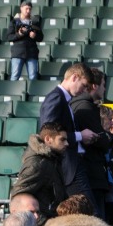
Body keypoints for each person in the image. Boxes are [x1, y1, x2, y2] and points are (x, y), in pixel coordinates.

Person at [39, 63, 99, 204]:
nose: (84, 90)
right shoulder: (56, 98)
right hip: (69, 168)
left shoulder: (64, 100)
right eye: (84, 85)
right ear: (75, 77)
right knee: (88, 213)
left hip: (73, 165)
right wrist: (80, 136)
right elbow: (49, 135)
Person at [70, 68, 112, 221]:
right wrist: (107, 136)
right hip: (92, 175)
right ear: (94, 86)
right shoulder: (85, 107)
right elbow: (102, 140)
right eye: (103, 85)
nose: (105, 89)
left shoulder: (79, 105)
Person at [12, 122, 69, 226]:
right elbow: (18, 197)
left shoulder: (53, 160)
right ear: (48, 139)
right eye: (62, 139)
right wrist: (45, 224)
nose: (67, 143)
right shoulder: (38, 164)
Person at [6, 0, 43, 81]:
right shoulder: (14, 22)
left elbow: (41, 38)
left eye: (30, 9)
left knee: (33, 77)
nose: (28, 11)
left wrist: (35, 36)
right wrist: (19, 34)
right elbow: (9, 37)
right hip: (18, 53)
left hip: (32, 52)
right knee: (15, 76)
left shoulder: (35, 22)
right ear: (21, 8)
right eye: (26, 9)